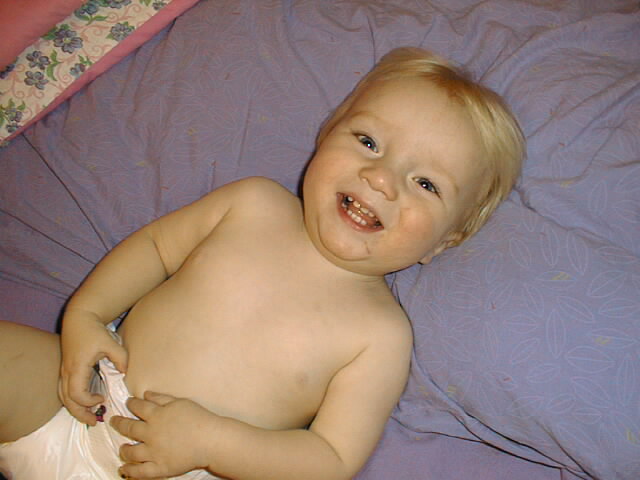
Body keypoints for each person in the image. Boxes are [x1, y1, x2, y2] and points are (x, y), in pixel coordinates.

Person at [0, 47, 525, 480]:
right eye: (368, 142)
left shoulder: (381, 335)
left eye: (426, 183)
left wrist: (214, 442)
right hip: (86, 398)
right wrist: (87, 315)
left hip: (194, 469)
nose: (381, 179)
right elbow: (156, 247)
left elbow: (332, 458)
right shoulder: (253, 203)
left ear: (445, 240)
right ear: (326, 135)